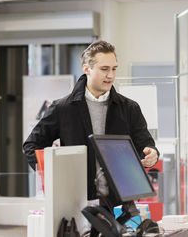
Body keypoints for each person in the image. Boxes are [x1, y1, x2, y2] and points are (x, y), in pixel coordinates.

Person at [23, 40, 159, 203]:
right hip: (77, 201)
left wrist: (152, 154)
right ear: (87, 69)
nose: (110, 75)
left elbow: (146, 144)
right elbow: (31, 146)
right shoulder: (62, 108)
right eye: (104, 69)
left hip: (121, 203)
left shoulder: (129, 108)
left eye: (114, 69)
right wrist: (53, 176)